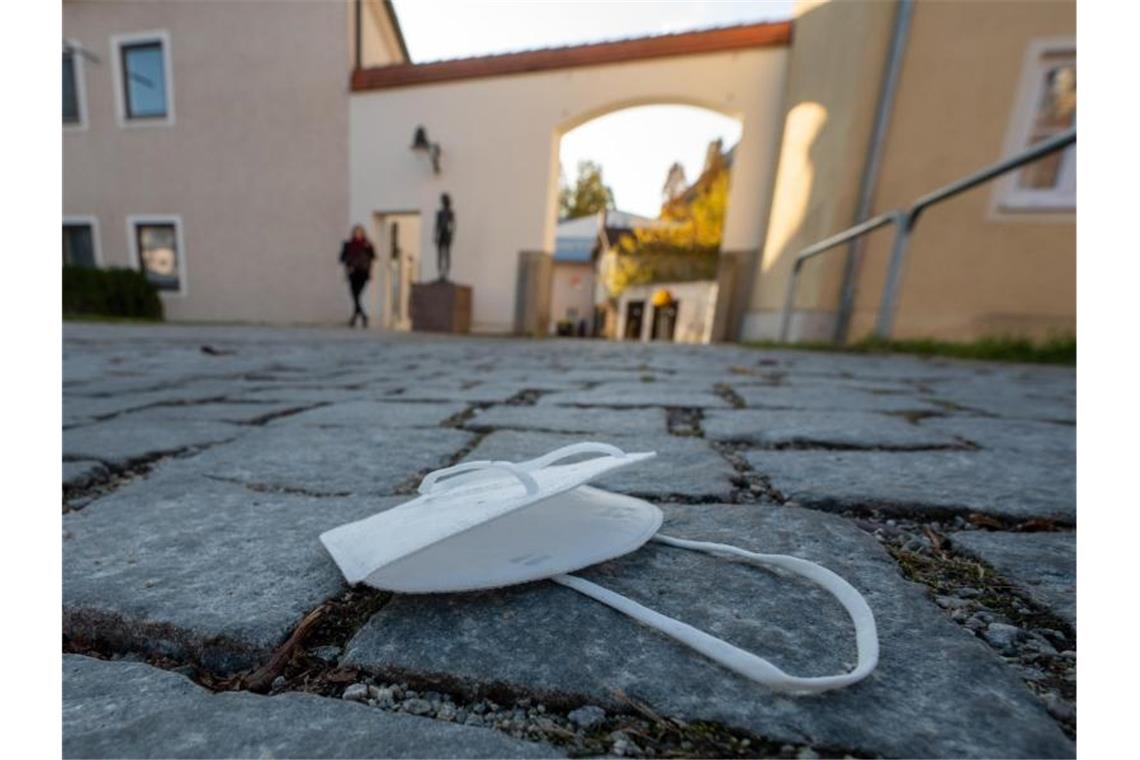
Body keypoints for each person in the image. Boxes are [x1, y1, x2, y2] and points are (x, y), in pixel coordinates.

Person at [339, 224, 376, 327]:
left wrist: (369, 248)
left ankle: (356, 317)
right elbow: (342, 258)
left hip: (363, 273)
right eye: (356, 232)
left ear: (363, 233)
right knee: (354, 295)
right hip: (352, 272)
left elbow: (373, 257)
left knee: (357, 295)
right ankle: (362, 316)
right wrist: (349, 263)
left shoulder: (367, 244)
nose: (358, 234)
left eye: (360, 232)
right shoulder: (348, 244)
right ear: (353, 233)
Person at [434, 193, 456, 281]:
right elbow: (437, 225)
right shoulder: (439, 213)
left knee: (446, 254)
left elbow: (453, 225)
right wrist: (436, 236)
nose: (443, 202)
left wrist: (451, 234)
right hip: (441, 234)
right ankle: (440, 273)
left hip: (447, 234)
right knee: (440, 254)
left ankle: (446, 273)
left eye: (444, 200)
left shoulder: (450, 213)